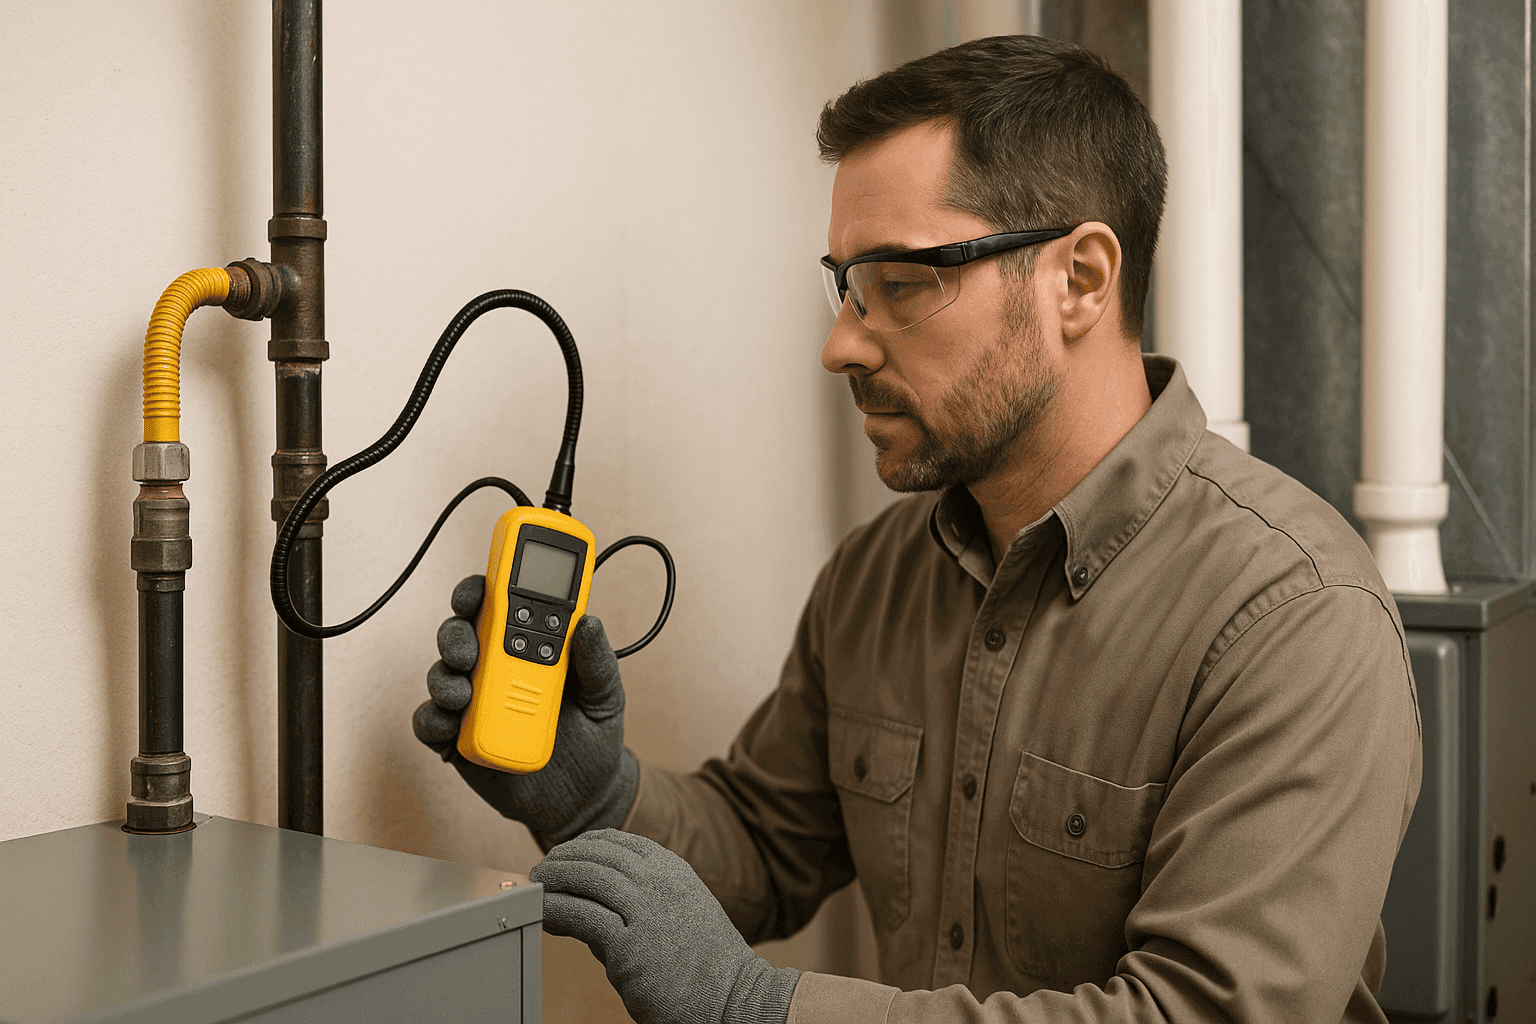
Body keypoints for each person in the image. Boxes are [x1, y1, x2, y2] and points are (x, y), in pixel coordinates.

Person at [413, 35, 1421, 1024]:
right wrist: (596, 794)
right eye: (847, 285)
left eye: (899, 283)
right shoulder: (878, 577)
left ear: (1079, 279)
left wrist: (757, 1009)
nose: (840, 344)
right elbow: (765, 845)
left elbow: (1202, 1011)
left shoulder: (1295, 618)